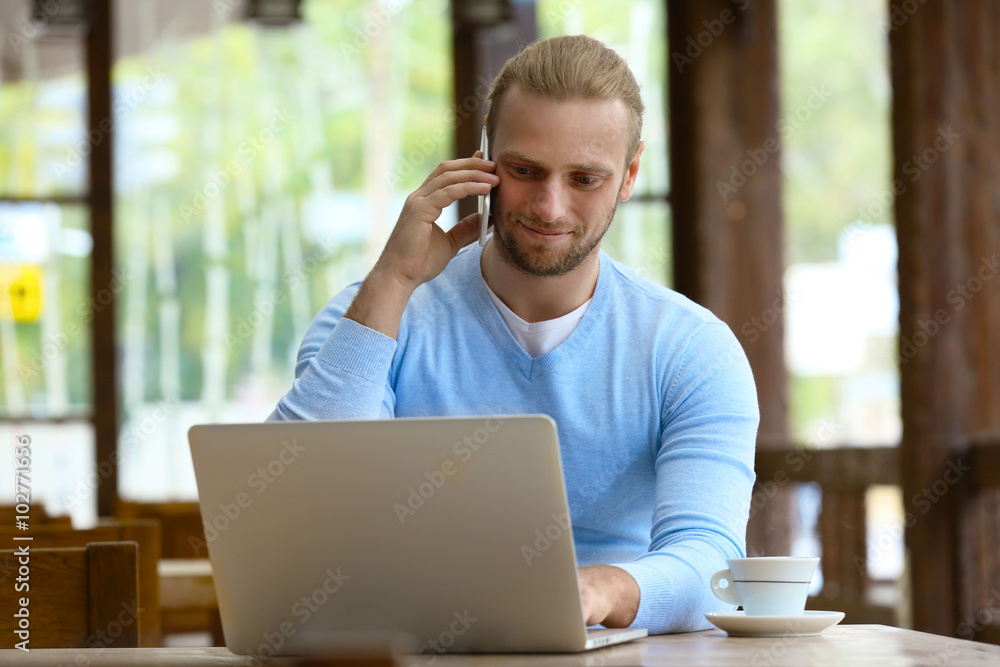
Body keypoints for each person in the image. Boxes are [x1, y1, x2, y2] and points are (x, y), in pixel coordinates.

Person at [269, 34, 758, 635]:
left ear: (629, 175)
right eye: (525, 171)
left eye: (585, 179)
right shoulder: (371, 317)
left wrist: (596, 587)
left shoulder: (692, 350)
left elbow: (711, 562)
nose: (549, 207)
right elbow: (303, 504)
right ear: (483, 157)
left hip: (614, 648)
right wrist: (395, 278)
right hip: (409, 646)